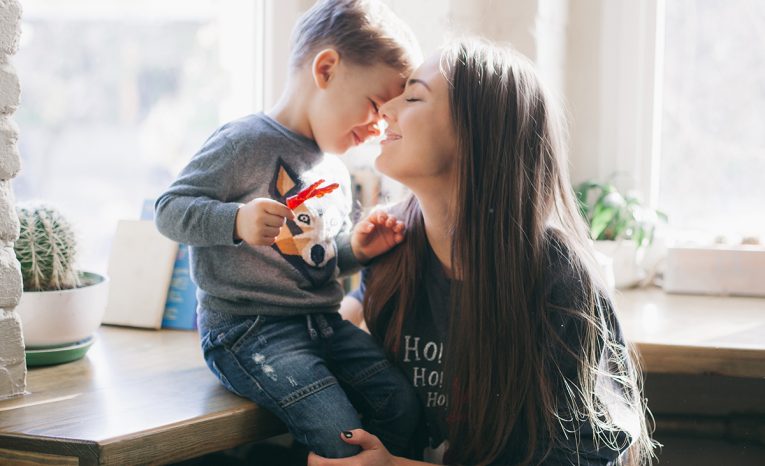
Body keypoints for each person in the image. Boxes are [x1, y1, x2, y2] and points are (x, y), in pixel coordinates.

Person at [309, 39, 657, 465]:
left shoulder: (560, 279)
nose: (385, 109)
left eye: (414, 95)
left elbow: (584, 457)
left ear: (479, 135)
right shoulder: (391, 252)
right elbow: (351, 311)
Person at [154, 0, 423, 458]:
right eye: (377, 105)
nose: (379, 128)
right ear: (326, 69)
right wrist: (235, 221)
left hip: (323, 325)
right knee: (339, 436)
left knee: (402, 407)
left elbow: (309, 260)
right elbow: (169, 209)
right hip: (248, 331)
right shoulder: (243, 142)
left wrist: (354, 249)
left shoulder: (334, 170)